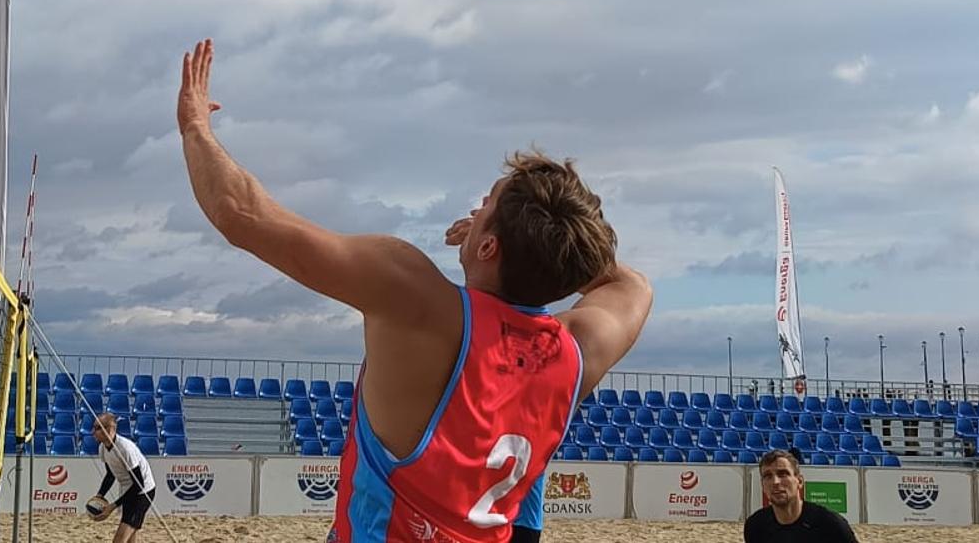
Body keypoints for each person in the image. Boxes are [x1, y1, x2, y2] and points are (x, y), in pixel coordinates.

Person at [174, 40, 653, 543]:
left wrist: (194, 126)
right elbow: (631, 284)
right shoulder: (578, 351)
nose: (478, 207)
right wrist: (549, 247)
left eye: (487, 204)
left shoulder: (418, 303)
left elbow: (241, 213)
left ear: (488, 246)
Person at [744, 450, 857, 543]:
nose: (775, 482)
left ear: (800, 481)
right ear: (762, 486)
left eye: (783, 474)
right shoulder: (756, 526)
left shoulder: (831, 525)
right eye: (768, 476)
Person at [88, 413, 156, 542]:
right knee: (129, 538)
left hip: (143, 492)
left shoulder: (125, 449)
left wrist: (113, 506)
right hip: (129, 491)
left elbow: (139, 484)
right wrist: (100, 495)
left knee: (119, 540)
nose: (93, 432)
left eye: (97, 428)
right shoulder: (102, 448)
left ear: (110, 429)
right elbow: (110, 475)